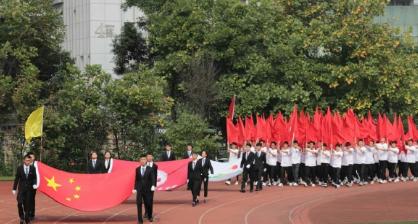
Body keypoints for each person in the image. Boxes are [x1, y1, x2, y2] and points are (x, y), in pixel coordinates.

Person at [13, 155, 37, 224]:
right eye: (26, 160)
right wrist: (14, 189)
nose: (28, 162)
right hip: (21, 190)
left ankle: (27, 219)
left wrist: (34, 183)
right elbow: (17, 179)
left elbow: (34, 177)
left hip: (29, 190)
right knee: (19, 204)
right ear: (24, 160)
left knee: (27, 205)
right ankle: (21, 216)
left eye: (29, 161)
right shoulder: (19, 168)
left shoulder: (33, 168)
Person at [132, 155, 156, 223]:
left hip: (148, 189)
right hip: (140, 189)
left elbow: (153, 177)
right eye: (141, 159)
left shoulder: (150, 169)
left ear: (146, 160)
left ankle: (150, 215)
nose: (143, 161)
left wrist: (153, 185)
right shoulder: (137, 169)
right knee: (139, 203)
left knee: (148, 203)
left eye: (144, 159)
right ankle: (140, 219)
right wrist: (135, 188)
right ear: (139, 160)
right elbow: (137, 179)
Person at [144, 152, 158, 220]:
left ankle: (150, 214)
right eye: (148, 156)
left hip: (151, 186)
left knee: (150, 200)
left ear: (152, 157)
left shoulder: (155, 166)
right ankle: (146, 212)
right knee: (145, 199)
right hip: (144, 185)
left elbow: (155, 176)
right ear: (146, 157)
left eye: (150, 156)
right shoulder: (144, 165)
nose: (149, 158)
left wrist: (154, 185)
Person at [26, 152, 38, 220]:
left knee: (31, 199)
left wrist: (35, 183)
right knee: (26, 199)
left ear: (34, 158)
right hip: (26, 185)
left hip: (33, 185)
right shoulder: (25, 164)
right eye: (29, 157)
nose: (31, 158)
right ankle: (27, 213)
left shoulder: (37, 165)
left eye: (32, 157)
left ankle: (32, 214)